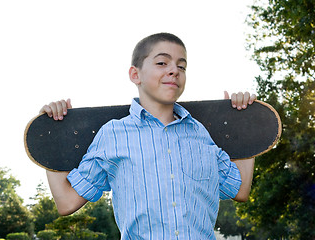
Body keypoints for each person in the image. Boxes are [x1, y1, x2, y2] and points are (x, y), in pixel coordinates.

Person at [40, 33, 256, 239]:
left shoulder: (200, 133)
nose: (174, 70)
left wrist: (242, 123)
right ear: (135, 75)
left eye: (182, 66)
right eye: (162, 63)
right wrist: (52, 135)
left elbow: (240, 189)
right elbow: (67, 202)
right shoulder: (112, 135)